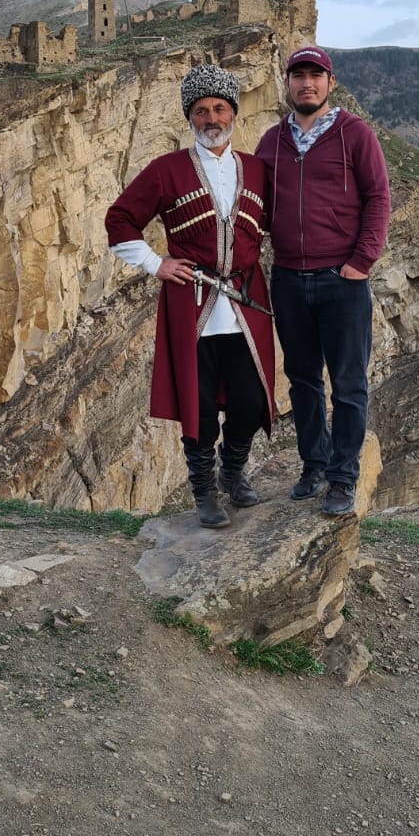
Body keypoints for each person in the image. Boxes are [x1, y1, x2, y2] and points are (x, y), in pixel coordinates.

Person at [105, 64, 275, 528]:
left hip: (245, 301)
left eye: (219, 108)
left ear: (233, 113)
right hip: (191, 302)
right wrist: (155, 263)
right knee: (197, 405)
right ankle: (204, 491)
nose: (211, 118)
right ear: (189, 117)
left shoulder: (257, 170)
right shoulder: (166, 171)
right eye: (201, 110)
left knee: (250, 400)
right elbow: (119, 220)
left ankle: (233, 472)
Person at [256, 45, 390, 516]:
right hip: (289, 279)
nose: (307, 83)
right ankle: (313, 464)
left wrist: (362, 260)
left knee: (349, 383)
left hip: (342, 280)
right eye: (299, 75)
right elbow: (257, 205)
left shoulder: (356, 134)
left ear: (330, 83)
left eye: (316, 75)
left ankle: (342, 476)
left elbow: (378, 197)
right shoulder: (272, 141)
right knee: (302, 380)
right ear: (287, 82)